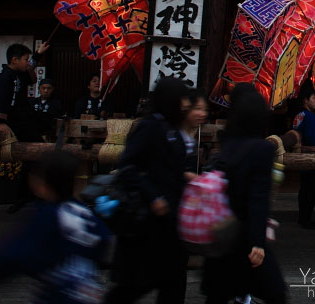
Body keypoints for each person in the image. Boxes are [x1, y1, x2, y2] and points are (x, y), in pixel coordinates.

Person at [0, 151, 113, 304]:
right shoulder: (84, 213)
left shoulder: (46, 217)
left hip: (61, 295)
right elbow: (104, 240)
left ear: (39, 184)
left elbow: (16, 255)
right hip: (89, 291)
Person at [106, 77, 189, 304]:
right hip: (148, 219)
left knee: (173, 279)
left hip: (169, 220)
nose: (186, 104)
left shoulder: (171, 127)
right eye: (181, 98)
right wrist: (153, 196)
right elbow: (127, 167)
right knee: (137, 284)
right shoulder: (150, 126)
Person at [202, 83, 287, 304]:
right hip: (245, 237)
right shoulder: (262, 149)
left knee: (218, 295)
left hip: (222, 232)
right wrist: (257, 242)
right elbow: (257, 199)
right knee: (276, 293)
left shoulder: (226, 144)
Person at [0, 42, 49, 143]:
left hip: (22, 120)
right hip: (11, 122)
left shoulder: (19, 75)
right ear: (14, 60)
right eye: (25, 59)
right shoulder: (4, 78)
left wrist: (38, 54)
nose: (28, 62)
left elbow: (30, 67)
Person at [293, 82, 315, 230]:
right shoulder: (309, 117)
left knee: (305, 187)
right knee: (314, 186)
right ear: (305, 100)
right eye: (313, 98)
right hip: (310, 155)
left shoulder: (299, 115)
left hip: (300, 155)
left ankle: (303, 216)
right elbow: (312, 138)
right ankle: (306, 217)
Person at [181, 90, 208, 179]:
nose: (203, 114)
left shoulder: (191, 138)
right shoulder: (171, 135)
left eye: (205, 109)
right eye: (198, 108)